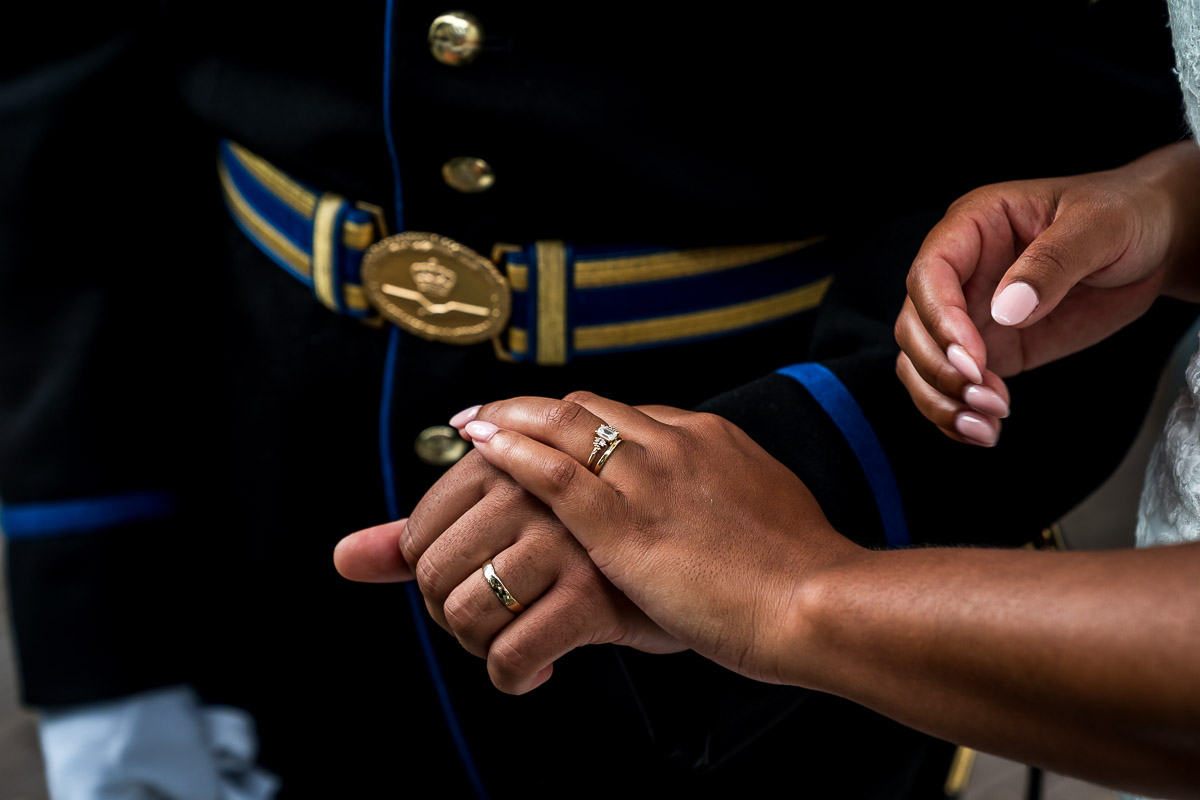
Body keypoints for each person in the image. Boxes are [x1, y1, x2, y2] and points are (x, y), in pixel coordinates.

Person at [2, 2, 1195, 797]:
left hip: (757, 561)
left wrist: (807, 490)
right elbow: (67, 85)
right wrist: (93, 599)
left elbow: (1082, 112)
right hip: (265, 487)